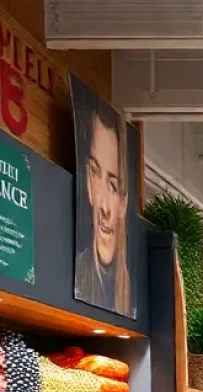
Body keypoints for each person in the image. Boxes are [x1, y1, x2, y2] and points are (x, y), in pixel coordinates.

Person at [74, 97, 133, 317]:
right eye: (95, 173)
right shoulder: (77, 276)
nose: (105, 208)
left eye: (113, 186)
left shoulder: (128, 295)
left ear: (124, 203)